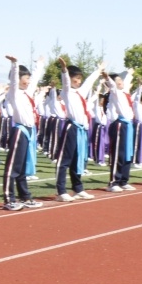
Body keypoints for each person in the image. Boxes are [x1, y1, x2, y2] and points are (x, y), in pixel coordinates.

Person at [55, 57, 102, 202]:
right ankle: (61, 190)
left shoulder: (80, 92)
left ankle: (78, 188)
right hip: (71, 128)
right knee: (65, 160)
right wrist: (64, 70)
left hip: (81, 130)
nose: (79, 81)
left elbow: (89, 82)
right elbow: (66, 83)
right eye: (76, 78)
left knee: (78, 159)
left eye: (80, 78)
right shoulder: (67, 91)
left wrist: (98, 70)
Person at [3, 56, 45, 209]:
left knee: (22, 167)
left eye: (28, 78)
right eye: (25, 78)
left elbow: (34, 79)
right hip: (19, 131)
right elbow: (14, 82)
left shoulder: (28, 92)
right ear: (19, 79)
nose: (28, 81)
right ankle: (9, 199)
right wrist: (15, 65)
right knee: (13, 167)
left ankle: (25, 197)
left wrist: (40, 65)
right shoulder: (14, 93)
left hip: (29, 131)